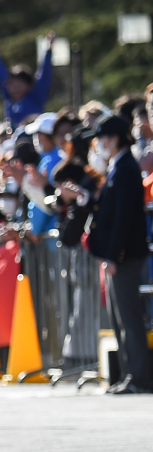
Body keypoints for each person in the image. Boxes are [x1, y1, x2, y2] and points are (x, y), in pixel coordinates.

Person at [83, 115, 150, 394]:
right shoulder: (117, 167)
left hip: (124, 255)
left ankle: (139, 377)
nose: (102, 143)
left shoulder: (126, 168)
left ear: (119, 137)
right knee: (118, 317)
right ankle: (127, 374)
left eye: (106, 137)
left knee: (129, 318)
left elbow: (123, 217)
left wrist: (114, 254)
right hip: (117, 255)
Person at [0, 31, 55, 129]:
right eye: (12, 86)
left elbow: (44, 73)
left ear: (29, 85)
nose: (15, 90)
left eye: (19, 86)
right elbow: (1, 75)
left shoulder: (36, 96)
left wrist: (49, 49)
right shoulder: (9, 99)